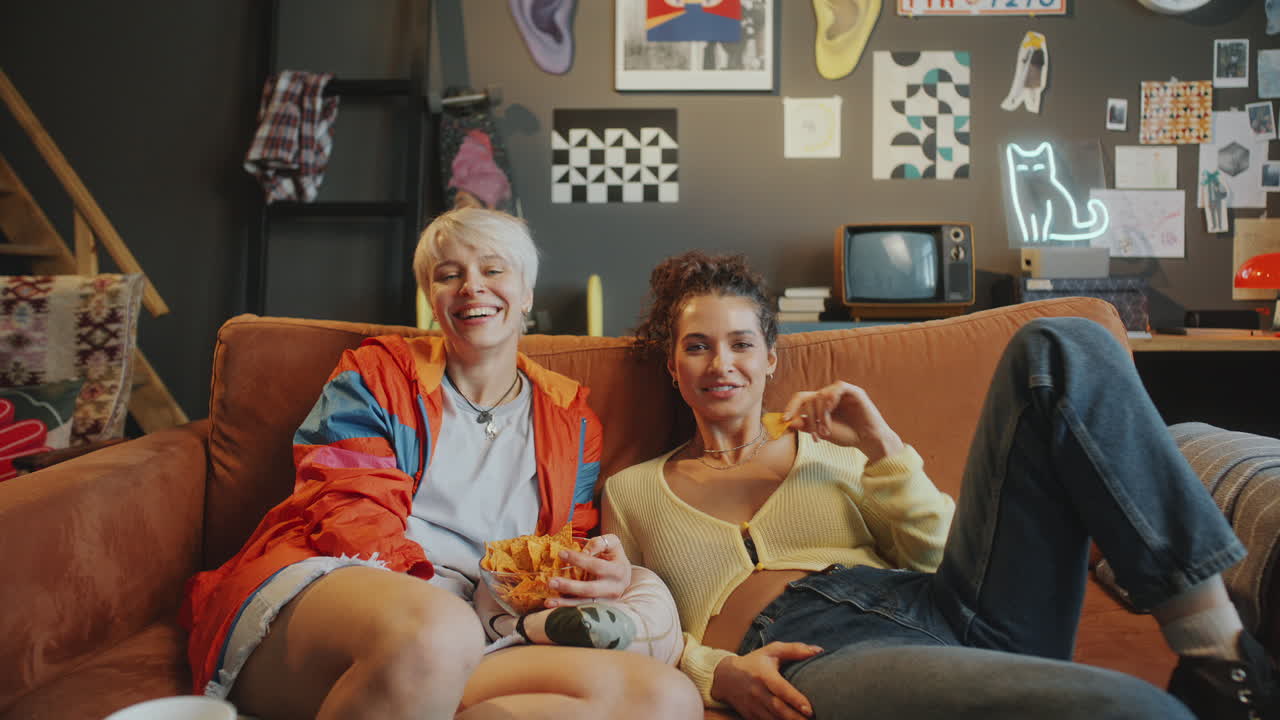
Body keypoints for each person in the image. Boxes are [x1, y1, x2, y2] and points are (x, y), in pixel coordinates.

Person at [602, 250, 1276, 720]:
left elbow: (940, 556)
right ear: (672, 365)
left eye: (742, 343)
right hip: (824, 647)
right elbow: (627, 629)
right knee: (1137, 710)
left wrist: (881, 446)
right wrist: (715, 672)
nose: (721, 363)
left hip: (947, 603)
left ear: (770, 358)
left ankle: (1220, 657)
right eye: (697, 346)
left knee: (1061, 345)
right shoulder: (632, 492)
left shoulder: (835, 455)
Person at [179, 208, 696, 720]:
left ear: (526, 293)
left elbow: (561, 541)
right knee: (440, 631)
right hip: (346, 584)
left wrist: (586, 574)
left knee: (665, 698)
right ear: (432, 298)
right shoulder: (376, 373)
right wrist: (454, 608)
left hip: (474, 626)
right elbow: (346, 508)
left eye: (493, 269)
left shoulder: (572, 417)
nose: (472, 286)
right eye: (449, 275)